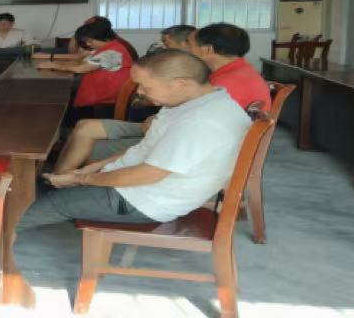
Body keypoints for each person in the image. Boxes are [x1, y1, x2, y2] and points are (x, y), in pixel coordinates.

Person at [21, 49, 252, 229]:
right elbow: (144, 147)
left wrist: (83, 179)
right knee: (43, 191)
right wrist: (86, 171)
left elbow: (148, 174)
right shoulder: (194, 102)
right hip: (142, 187)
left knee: (48, 204)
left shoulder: (200, 122)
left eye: (145, 86)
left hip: (144, 201)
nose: (139, 91)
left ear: (181, 84)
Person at [53, 23, 270, 174]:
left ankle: (75, 183)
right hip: (167, 127)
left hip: (183, 142)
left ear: (207, 49)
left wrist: (155, 121)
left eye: (189, 44)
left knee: (89, 144)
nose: (184, 48)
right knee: (85, 126)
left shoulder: (227, 84)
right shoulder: (230, 72)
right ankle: (59, 178)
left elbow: (189, 130)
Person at [36, 18, 133, 112]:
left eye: (90, 41)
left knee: (58, 89)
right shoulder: (106, 48)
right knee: (60, 86)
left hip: (107, 99)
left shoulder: (113, 53)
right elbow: (81, 62)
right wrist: (53, 63)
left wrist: (54, 66)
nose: (88, 44)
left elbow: (81, 68)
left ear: (102, 37)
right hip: (100, 92)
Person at [190, 23, 272, 111]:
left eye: (190, 45)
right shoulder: (242, 69)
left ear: (208, 49)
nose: (187, 51)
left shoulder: (222, 86)